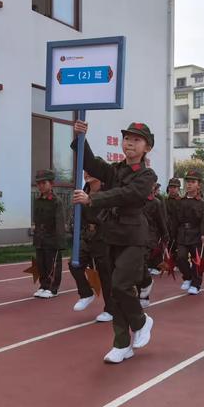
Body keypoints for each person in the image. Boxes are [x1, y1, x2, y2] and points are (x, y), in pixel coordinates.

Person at [72, 121, 156, 364]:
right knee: (114, 292)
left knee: (120, 285)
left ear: (147, 147)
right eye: (127, 138)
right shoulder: (114, 170)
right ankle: (121, 344)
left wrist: (93, 199)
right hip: (111, 235)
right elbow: (89, 162)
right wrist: (80, 136)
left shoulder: (147, 175)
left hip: (133, 237)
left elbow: (129, 194)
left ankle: (141, 321)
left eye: (136, 140)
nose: (129, 143)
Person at [69, 170, 114, 322]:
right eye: (85, 172)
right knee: (74, 263)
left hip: (103, 237)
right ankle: (86, 293)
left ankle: (110, 309)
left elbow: (108, 214)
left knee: (105, 274)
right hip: (87, 236)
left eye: (90, 171)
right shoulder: (83, 191)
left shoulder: (107, 192)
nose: (86, 174)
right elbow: (78, 215)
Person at [174, 170, 204, 295]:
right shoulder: (180, 201)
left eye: (193, 182)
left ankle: (196, 284)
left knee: (197, 260)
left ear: (198, 185)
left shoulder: (201, 202)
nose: (189, 184)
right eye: (188, 182)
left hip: (196, 234)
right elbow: (176, 219)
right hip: (182, 233)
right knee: (180, 257)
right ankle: (188, 277)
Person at [32, 169, 66, 299]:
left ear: (51, 184)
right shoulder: (38, 200)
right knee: (41, 263)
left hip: (52, 237)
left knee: (52, 264)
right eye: (38, 183)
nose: (41, 186)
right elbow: (36, 218)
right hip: (40, 237)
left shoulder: (56, 201)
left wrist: (60, 242)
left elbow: (60, 222)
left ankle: (52, 288)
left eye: (43, 183)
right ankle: (43, 285)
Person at [138, 187, 169, 308]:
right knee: (134, 267)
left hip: (149, 238)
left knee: (141, 264)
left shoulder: (155, 202)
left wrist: (165, 237)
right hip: (133, 236)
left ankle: (144, 295)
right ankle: (142, 290)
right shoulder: (133, 200)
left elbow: (162, 220)